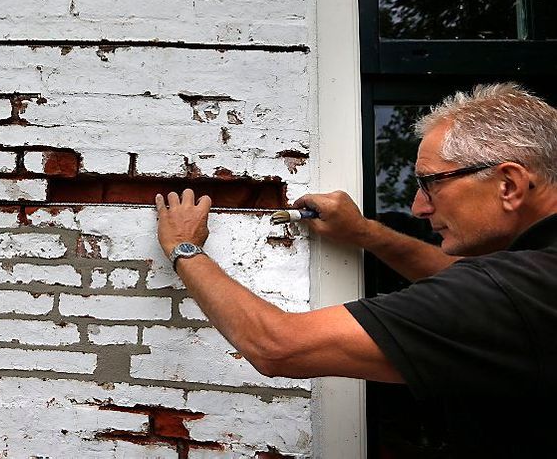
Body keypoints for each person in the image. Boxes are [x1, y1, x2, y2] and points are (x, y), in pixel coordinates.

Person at [155, 83, 557, 453]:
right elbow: (457, 286)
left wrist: (184, 248)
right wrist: (365, 232)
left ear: (509, 184)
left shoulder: (510, 294)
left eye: (431, 183)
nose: (418, 207)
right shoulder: (533, 281)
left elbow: (277, 346)